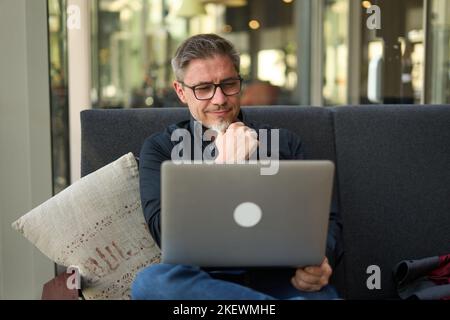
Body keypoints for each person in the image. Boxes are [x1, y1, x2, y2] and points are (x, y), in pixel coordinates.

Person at [131, 34, 342, 300]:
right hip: (203, 282)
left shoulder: (285, 143)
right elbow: (163, 232)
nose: (219, 99)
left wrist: (321, 262)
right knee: (151, 283)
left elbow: (327, 220)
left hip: (281, 278)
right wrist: (224, 167)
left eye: (228, 84)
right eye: (204, 88)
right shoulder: (161, 149)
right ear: (181, 91)